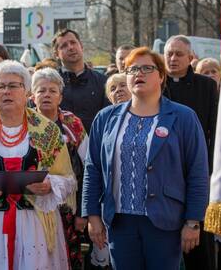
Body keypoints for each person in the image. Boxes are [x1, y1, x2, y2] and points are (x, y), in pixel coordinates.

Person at [82, 47, 209, 270]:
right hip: (120, 222)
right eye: (132, 69)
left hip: (164, 221)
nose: (138, 73)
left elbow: (197, 172)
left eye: (147, 68)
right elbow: (92, 168)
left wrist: (193, 221)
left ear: (161, 76)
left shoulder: (183, 117)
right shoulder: (106, 118)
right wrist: (92, 215)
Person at [0, 60, 76, 269]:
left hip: (37, 225)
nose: (6, 92)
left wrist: (50, 185)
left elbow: (68, 180)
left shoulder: (47, 131)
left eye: (13, 86)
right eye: (0, 87)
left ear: (26, 91)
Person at [163, 35, 217, 270]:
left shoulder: (206, 86)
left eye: (179, 54)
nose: (173, 59)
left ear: (191, 58)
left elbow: (214, 128)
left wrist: (211, 169)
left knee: (198, 242)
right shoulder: (158, 83)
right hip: (164, 172)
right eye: (169, 54)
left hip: (196, 169)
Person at [31, 67, 89, 269]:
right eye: (41, 90)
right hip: (31, 206)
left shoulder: (72, 123)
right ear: (32, 95)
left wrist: (83, 210)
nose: (46, 95)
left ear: (60, 96)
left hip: (68, 206)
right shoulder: (23, 122)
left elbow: (88, 167)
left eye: (52, 91)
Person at [52, 29, 109, 133]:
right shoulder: (51, 83)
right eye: (64, 46)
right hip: (60, 146)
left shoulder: (103, 82)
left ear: (81, 46)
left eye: (73, 42)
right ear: (56, 54)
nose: (70, 47)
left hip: (95, 145)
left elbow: (108, 119)